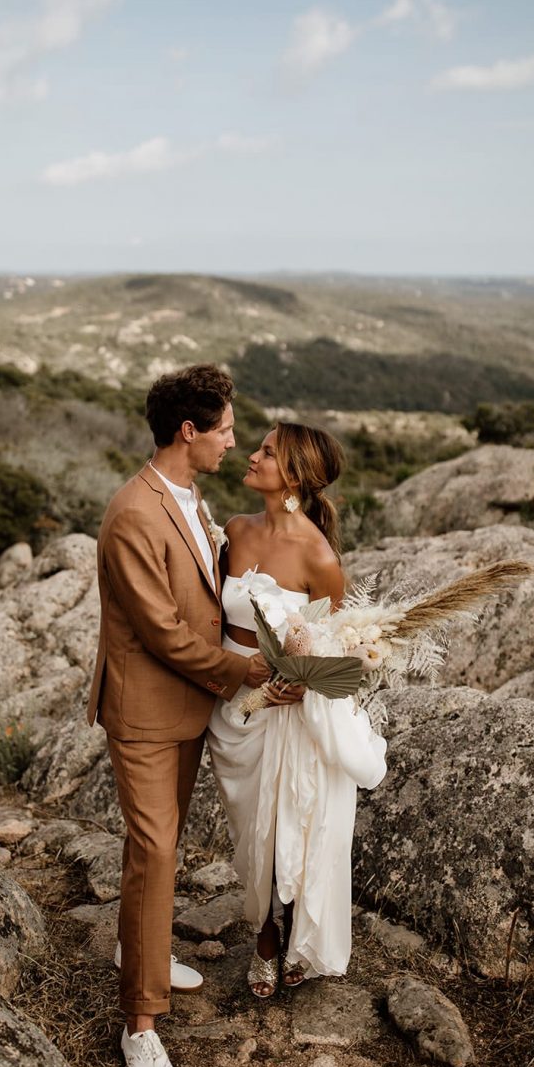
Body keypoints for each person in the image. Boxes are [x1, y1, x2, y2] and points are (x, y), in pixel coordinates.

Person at [87, 363, 269, 1067]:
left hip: (188, 707)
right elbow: (162, 632)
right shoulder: (132, 512)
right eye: (225, 428)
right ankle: (140, 1022)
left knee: (167, 845)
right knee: (154, 850)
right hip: (145, 713)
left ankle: (152, 958)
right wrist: (242, 670)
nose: (234, 441)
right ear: (187, 431)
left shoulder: (192, 497)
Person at [207, 422, 388, 998]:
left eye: (266, 452)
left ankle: (285, 936)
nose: (251, 455)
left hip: (283, 713)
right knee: (247, 833)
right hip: (232, 702)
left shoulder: (319, 557)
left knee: (282, 828)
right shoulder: (235, 530)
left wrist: (299, 686)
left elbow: (331, 653)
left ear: (293, 477)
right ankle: (261, 932)